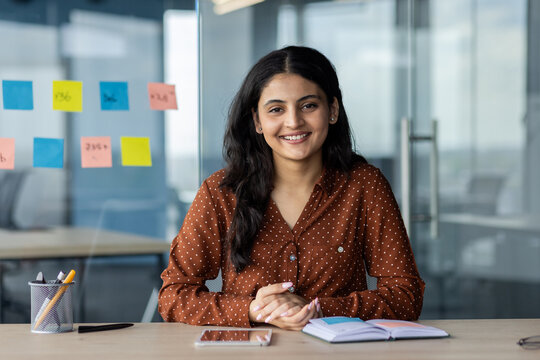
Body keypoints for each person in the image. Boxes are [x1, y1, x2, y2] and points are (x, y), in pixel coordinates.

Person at [159, 46, 424, 331]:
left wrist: (318, 309)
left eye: (309, 105)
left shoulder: (364, 185)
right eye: (276, 109)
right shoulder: (220, 192)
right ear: (257, 121)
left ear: (332, 110)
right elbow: (173, 295)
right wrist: (252, 309)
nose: (294, 121)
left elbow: (405, 295)